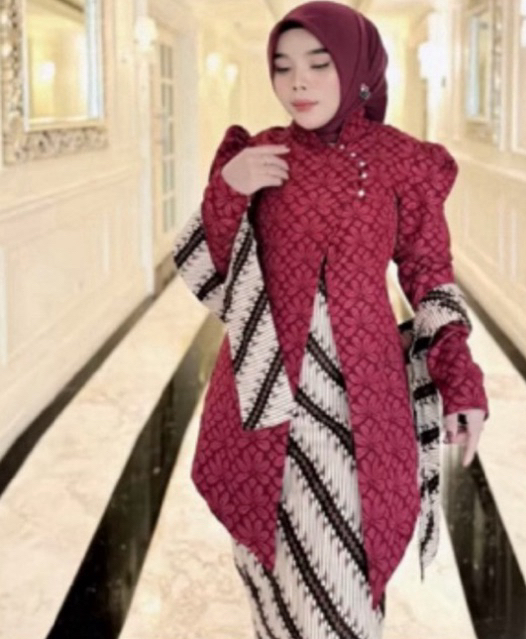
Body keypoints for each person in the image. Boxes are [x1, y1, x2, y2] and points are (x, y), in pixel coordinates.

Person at [173, 2, 488, 637]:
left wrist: (460, 379)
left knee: (348, 566)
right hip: (265, 395)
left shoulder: (403, 162)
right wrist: (229, 188)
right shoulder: (258, 153)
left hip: (362, 398)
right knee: (273, 564)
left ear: (357, 68)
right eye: (283, 66)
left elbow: (429, 274)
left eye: (319, 64)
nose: (299, 82)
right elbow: (211, 267)